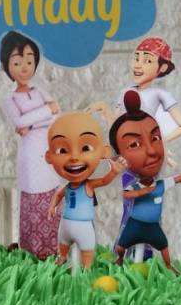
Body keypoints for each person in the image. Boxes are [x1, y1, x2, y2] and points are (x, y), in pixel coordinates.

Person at [110, 91, 181, 271]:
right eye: (134, 144)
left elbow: (177, 179)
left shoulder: (160, 185)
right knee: (122, 245)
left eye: (155, 138)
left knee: (163, 246)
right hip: (135, 224)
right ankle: (120, 259)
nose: (152, 151)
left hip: (152, 227)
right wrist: (141, 192)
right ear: (118, 157)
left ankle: (169, 266)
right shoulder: (133, 184)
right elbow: (126, 194)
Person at [0, 31, 61, 259]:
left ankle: (53, 248)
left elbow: (57, 114)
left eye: (29, 61)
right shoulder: (8, 98)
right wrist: (45, 112)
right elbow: (19, 121)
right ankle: (31, 250)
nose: (24, 68)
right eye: (17, 63)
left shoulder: (40, 91)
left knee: (52, 191)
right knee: (32, 195)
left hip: (48, 150)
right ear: (7, 66)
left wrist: (32, 123)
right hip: (29, 154)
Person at [45, 112, 125, 269]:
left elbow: (103, 181)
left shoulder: (88, 185)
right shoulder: (67, 187)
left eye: (85, 148)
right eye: (62, 150)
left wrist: (114, 171)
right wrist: (52, 206)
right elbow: (59, 194)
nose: (74, 157)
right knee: (62, 246)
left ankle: (87, 268)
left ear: (104, 152)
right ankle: (62, 257)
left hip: (84, 227)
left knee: (87, 251)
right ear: (49, 157)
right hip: (65, 225)